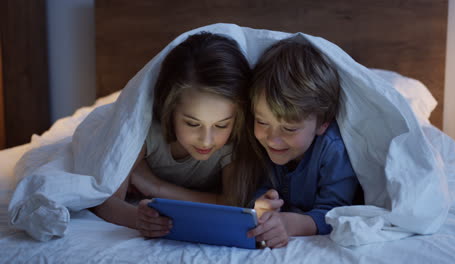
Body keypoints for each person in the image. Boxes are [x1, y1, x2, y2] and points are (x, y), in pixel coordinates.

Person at [91, 32, 262, 238]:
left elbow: (232, 204)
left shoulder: (233, 141)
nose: (207, 140)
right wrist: (137, 218)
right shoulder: (145, 132)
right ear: (169, 108)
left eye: (221, 125)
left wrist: (156, 186)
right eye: (192, 123)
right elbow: (106, 200)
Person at [246, 37, 360, 248]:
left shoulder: (333, 149)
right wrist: (261, 205)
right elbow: (255, 189)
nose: (273, 138)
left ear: (322, 124)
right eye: (262, 121)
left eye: (289, 128)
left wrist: (290, 224)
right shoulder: (258, 142)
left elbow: (336, 213)